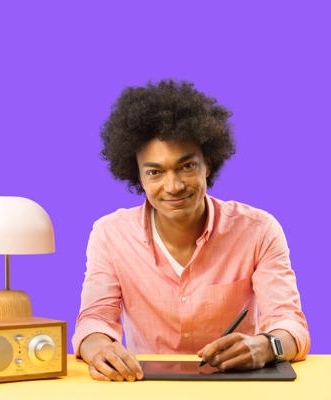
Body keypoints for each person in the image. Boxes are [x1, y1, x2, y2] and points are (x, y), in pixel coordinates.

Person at [72, 79, 310, 382]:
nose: (173, 186)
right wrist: (98, 348)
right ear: (139, 177)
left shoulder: (258, 230)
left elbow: (289, 322)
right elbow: (94, 318)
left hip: (236, 385)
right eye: (155, 172)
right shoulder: (110, 235)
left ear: (207, 165)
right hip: (145, 385)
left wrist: (267, 346)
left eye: (186, 166)